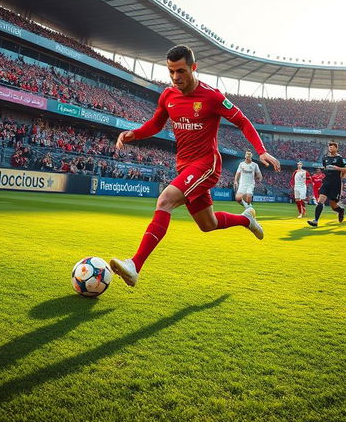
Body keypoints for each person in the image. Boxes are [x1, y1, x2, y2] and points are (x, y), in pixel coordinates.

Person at [110, 45, 280, 287]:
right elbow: (157, 124)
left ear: (193, 67)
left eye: (181, 71)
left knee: (165, 200)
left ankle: (135, 265)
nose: (176, 77)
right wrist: (133, 134)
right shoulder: (168, 96)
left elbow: (242, 121)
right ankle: (246, 220)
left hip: (206, 165)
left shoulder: (212, 96)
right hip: (185, 166)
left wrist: (261, 150)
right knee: (207, 224)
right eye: (171, 72)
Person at [308, 142, 346, 227]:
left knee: (333, 205)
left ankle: (341, 211)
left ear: (336, 148)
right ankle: (315, 221)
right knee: (320, 201)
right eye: (329, 147)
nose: (330, 149)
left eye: (332, 147)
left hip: (336, 183)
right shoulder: (325, 158)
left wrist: (337, 168)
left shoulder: (339, 158)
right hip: (326, 182)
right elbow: (325, 168)